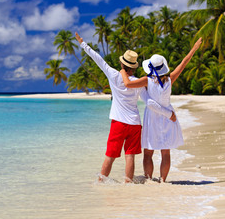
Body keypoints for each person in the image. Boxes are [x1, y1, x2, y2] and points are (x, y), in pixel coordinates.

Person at [75, 32, 175, 183]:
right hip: (134, 124)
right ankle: (128, 183)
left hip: (119, 123)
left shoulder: (114, 75)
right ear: (133, 68)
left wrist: (83, 44)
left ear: (122, 65)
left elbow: (98, 59)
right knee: (130, 156)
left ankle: (101, 183)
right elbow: (149, 102)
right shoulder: (139, 83)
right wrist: (168, 113)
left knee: (110, 155)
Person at [120, 38, 203, 182]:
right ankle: (163, 180)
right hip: (168, 117)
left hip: (152, 118)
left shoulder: (146, 80)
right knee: (165, 153)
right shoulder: (170, 79)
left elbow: (127, 84)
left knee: (148, 153)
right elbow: (184, 63)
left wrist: (122, 70)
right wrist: (194, 48)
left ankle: (149, 179)